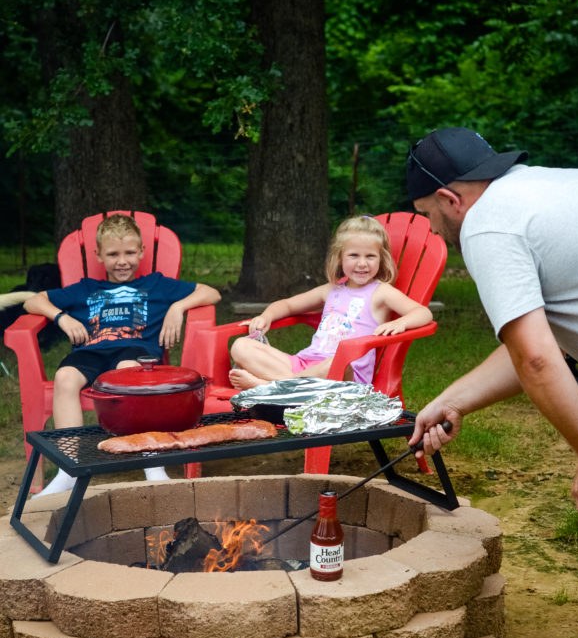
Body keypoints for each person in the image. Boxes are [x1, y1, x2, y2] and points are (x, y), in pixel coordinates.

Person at [405, 126, 578, 638]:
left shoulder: (489, 227)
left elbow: (541, 360)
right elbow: (537, 345)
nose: (433, 232)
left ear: (452, 198)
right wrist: (452, 399)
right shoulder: (552, 191)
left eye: (429, 217)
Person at [24, 213, 221, 497]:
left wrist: (177, 308)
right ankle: (69, 469)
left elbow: (210, 292)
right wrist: (62, 318)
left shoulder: (157, 285)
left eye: (130, 252)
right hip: (91, 351)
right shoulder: (86, 289)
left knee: (128, 371)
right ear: (99, 256)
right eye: (113, 254)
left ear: (141, 251)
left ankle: (150, 461)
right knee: (65, 377)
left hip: (135, 352)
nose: (122, 261)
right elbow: (33, 300)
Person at [228, 214, 433, 390]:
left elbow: (423, 313)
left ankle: (270, 386)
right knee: (241, 346)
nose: (362, 263)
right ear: (340, 258)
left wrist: (400, 323)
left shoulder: (381, 292)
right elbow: (288, 305)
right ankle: (288, 385)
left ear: (381, 259)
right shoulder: (331, 290)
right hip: (306, 365)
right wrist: (267, 316)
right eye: (353, 255)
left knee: (336, 362)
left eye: (370, 256)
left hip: (344, 375)